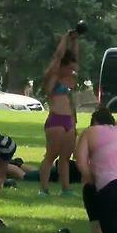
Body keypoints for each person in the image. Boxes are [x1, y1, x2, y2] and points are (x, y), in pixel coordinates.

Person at [39, 29, 79, 196]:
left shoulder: (69, 77)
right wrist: (65, 38)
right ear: (62, 66)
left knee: (65, 157)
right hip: (55, 120)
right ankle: (43, 189)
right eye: (68, 68)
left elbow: (75, 59)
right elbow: (57, 56)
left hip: (69, 120)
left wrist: (75, 41)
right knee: (51, 155)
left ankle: (66, 189)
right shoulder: (53, 76)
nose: (71, 71)